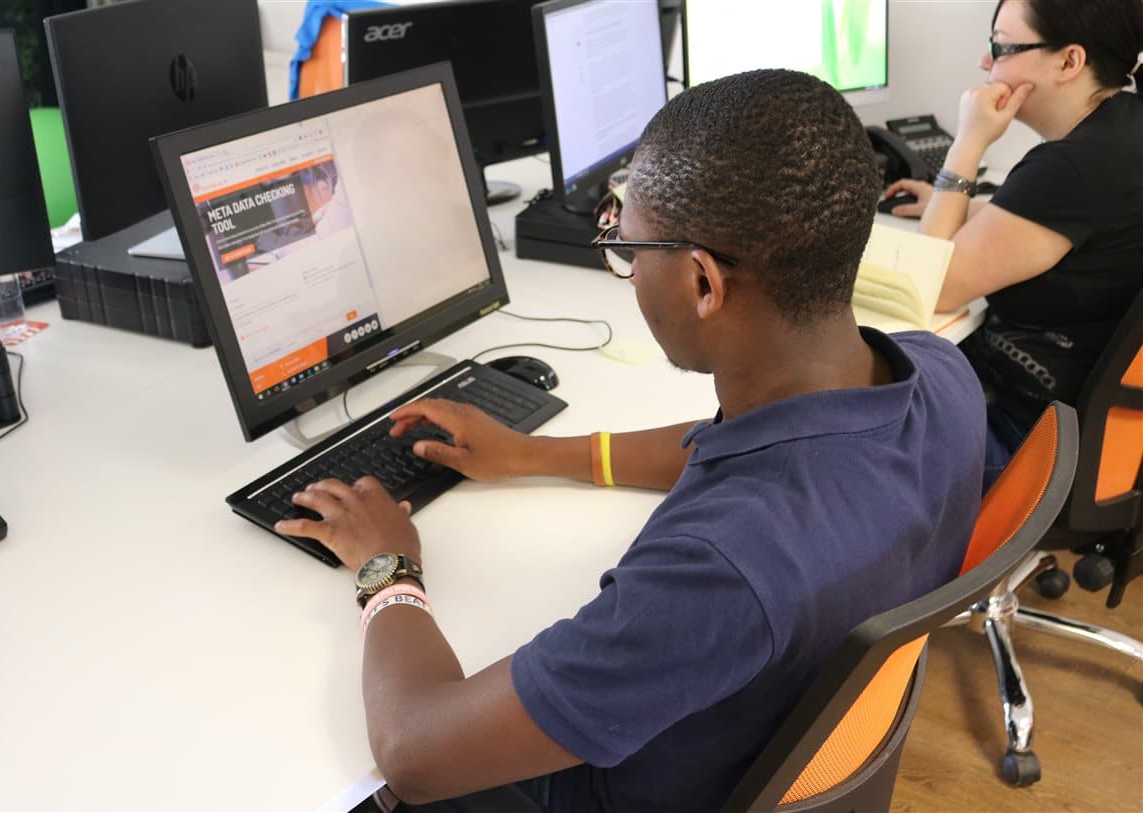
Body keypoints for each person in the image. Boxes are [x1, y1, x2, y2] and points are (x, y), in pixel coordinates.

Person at [274, 70, 986, 813]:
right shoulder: (942, 376)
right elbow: (740, 448)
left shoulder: (719, 569)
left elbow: (415, 748)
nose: (626, 263)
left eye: (629, 245)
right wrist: (536, 453)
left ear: (703, 283)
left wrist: (388, 569)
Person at [883, 0, 1143, 488]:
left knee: (837, 447)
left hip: (1023, 441)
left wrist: (967, 144)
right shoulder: (1123, 131)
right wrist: (953, 203)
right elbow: (1061, 225)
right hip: (1091, 436)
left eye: (1001, 46)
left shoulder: (1070, 169)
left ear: (1070, 61)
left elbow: (927, 289)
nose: (986, 62)